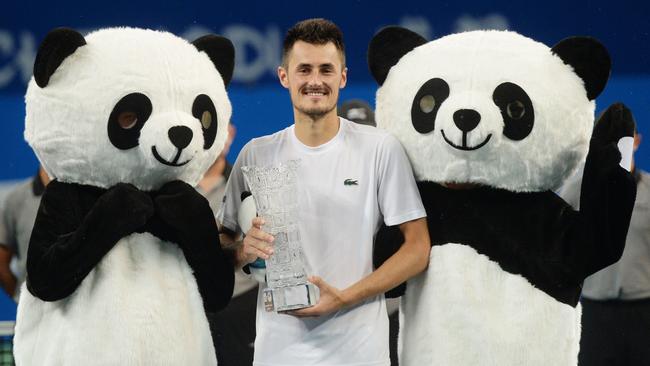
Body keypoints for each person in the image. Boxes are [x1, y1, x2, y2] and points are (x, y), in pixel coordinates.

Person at [217, 18, 430, 366]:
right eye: (304, 69)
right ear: (284, 76)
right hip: (277, 352)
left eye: (326, 70)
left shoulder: (380, 149)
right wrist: (242, 251)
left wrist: (345, 297)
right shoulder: (255, 154)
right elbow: (222, 241)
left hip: (360, 352)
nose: (315, 81)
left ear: (342, 77)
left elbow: (418, 248)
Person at [559, 124, 649, 365]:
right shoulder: (578, 191)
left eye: (624, 140)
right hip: (595, 312)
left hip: (643, 310)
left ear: (637, 141)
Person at [197, 124, 258, 366]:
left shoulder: (250, 187)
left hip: (241, 305)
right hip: (190, 307)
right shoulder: (169, 192)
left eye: (221, 130)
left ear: (231, 133)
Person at [0, 167, 49, 302]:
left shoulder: (86, 195)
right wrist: (22, 297)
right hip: (32, 317)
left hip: (79, 315)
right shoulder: (16, 200)